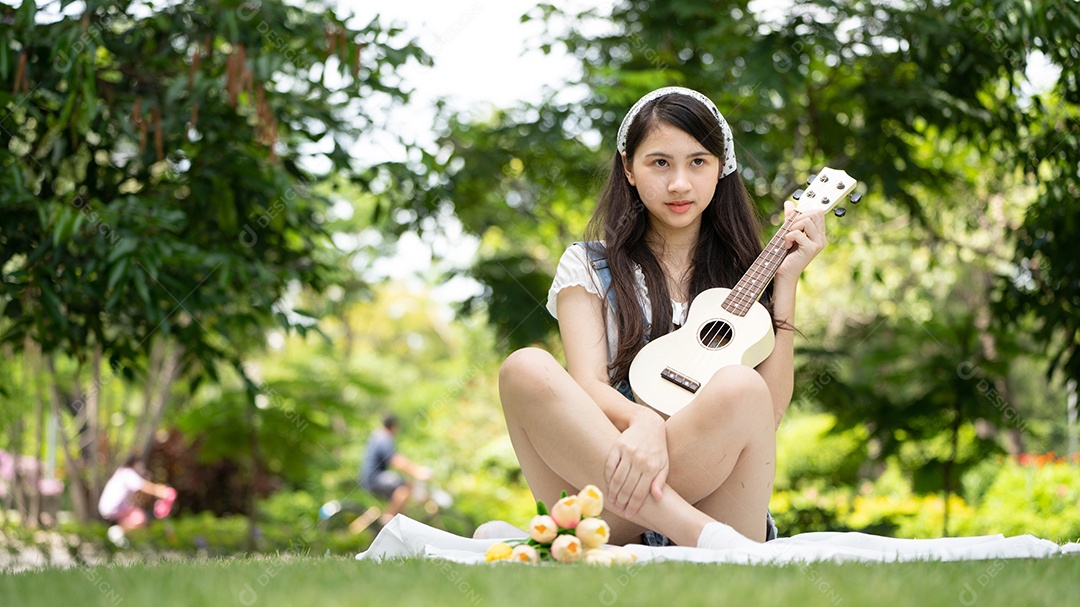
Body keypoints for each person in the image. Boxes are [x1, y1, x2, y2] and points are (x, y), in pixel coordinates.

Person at [497, 87, 827, 549]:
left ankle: (567, 532)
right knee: (525, 367)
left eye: (698, 162)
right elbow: (588, 383)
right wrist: (643, 422)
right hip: (610, 485)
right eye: (660, 163)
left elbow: (763, 416)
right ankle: (698, 535)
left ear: (721, 169)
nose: (679, 184)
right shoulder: (589, 266)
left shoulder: (748, 273)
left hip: (711, 500)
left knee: (739, 386)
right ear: (629, 169)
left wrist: (786, 282)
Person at [359, 414, 432, 526]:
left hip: (372, 477)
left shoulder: (378, 435)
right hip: (375, 478)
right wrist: (417, 472)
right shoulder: (384, 437)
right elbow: (396, 460)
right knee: (404, 487)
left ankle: (393, 518)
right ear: (393, 426)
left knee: (400, 487)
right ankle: (389, 521)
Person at [98, 455, 176, 546]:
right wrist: (160, 491)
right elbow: (143, 486)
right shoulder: (128, 473)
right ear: (135, 464)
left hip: (107, 507)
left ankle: (123, 538)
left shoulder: (120, 472)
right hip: (112, 507)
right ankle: (117, 531)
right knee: (139, 517)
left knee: (134, 517)